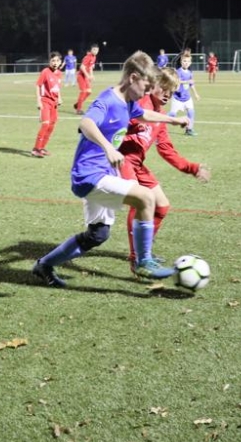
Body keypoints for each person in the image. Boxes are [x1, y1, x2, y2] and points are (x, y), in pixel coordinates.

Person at [32, 51, 190, 287]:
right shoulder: (107, 100)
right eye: (146, 87)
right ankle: (143, 261)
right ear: (133, 78)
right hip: (89, 174)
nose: (147, 93)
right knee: (146, 197)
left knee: (98, 235)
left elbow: (144, 114)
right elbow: (86, 123)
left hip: (102, 173)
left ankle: (44, 265)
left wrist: (173, 120)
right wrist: (108, 148)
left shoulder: (129, 103)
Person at [120, 67, 211, 271]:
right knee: (139, 201)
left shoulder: (160, 117)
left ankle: (144, 251)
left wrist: (193, 168)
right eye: (164, 88)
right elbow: (128, 119)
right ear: (153, 84)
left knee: (162, 206)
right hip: (121, 160)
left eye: (172, 91)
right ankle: (137, 257)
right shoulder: (140, 104)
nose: (168, 94)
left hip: (137, 164)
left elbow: (166, 150)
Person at [31, 51, 63, 157]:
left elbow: (57, 87)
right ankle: (36, 149)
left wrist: (59, 98)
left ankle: (42, 147)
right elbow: (38, 85)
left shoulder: (59, 74)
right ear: (49, 61)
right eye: (53, 60)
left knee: (51, 125)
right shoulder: (45, 72)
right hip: (45, 101)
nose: (55, 63)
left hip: (54, 103)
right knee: (45, 124)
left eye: (57, 61)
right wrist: (38, 101)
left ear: (60, 62)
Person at [167, 50, 201, 136]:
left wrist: (196, 94)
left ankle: (189, 129)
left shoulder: (190, 73)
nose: (186, 63)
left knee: (191, 112)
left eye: (188, 61)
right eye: (184, 61)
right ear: (181, 62)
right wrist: (187, 81)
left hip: (187, 98)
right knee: (172, 114)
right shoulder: (178, 72)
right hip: (177, 98)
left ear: (190, 63)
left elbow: (191, 84)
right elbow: (176, 81)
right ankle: (158, 123)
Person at [73, 44, 99, 114]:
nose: (95, 51)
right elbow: (82, 67)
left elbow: (90, 67)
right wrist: (87, 75)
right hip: (81, 76)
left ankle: (78, 104)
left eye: (97, 50)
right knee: (83, 92)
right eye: (94, 50)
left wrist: (91, 75)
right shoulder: (88, 57)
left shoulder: (94, 57)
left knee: (89, 92)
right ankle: (78, 110)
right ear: (91, 50)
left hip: (85, 76)